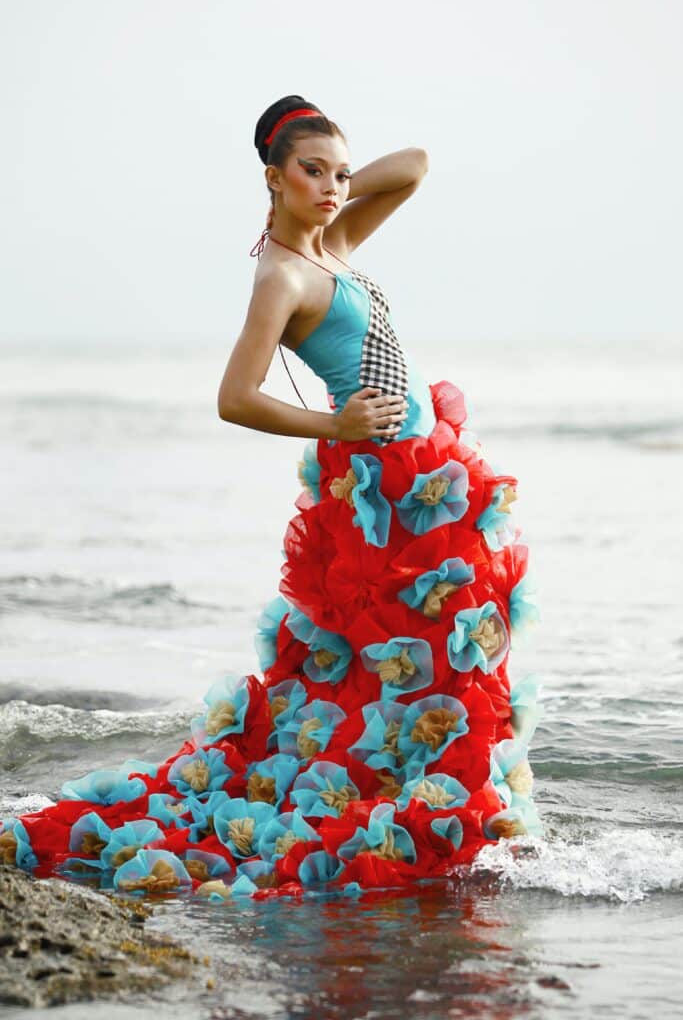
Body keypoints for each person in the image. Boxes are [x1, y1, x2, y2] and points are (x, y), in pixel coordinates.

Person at [0, 96, 544, 901]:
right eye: (310, 171)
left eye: (338, 172)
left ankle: (434, 805)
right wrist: (335, 418)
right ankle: (426, 816)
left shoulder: (334, 246)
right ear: (271, 178)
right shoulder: (282, 275)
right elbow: (234, 395)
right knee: (428, 660)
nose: (330, 185)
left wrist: (327, 183)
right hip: (387, 490)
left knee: (433, 655)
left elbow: (416, 166)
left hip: (426, 485)